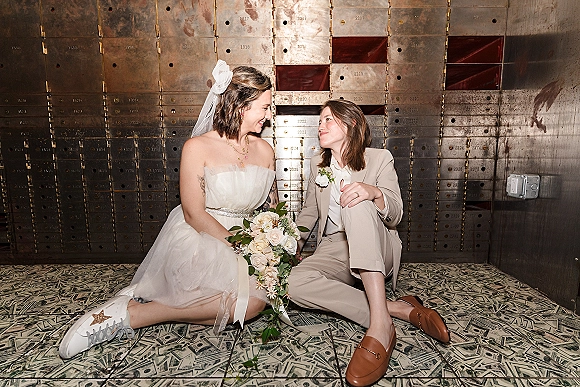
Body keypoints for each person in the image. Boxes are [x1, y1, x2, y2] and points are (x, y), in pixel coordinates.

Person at [59, 61, 279, 359]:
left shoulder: (265, 151)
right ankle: (132, 316)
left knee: (248, 307)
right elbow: (193, 213)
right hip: (203, 236)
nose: (269, 115)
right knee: (247, 305)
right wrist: (240, 247)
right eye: (264, 107)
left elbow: (272, 208)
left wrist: (276, 240)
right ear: (241, 106)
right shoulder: (197, 147)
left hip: (249, 238)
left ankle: (138, 310)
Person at [287, 100, 450, 386]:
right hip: (334, 246)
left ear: (350, 124)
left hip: (376, 242)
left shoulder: (379, 158)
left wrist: (373, 192)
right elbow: (310, 211)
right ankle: (398, 310)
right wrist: (294, 242)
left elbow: (396, 214)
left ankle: (379, 328)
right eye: (320, 120)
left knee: (356, 200)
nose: (320, 125)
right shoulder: (317, 165)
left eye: (328, 119)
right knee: (293, 285)